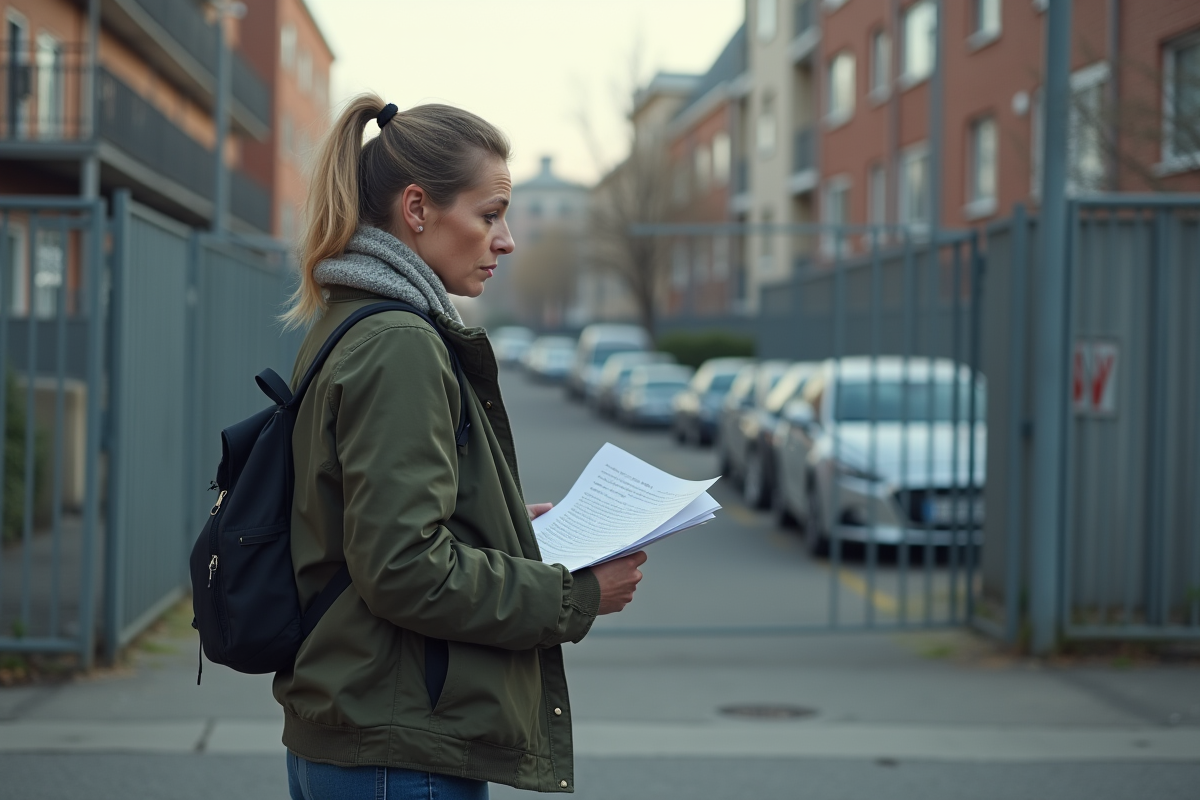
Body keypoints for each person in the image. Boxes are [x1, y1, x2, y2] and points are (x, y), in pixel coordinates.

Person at [275, 94, 648, 800]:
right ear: (418, 210)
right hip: (399, 748)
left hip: (369, 733)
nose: (506, 240)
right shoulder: (399, 344)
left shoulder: (350, 321)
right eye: (489, 214)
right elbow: (404, 568)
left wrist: (504, 527)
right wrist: (576, 596)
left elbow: (368, 526)